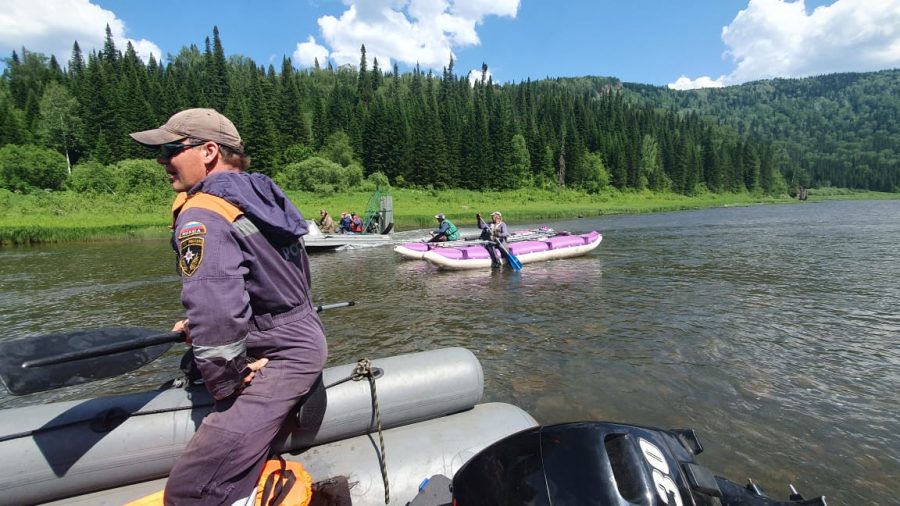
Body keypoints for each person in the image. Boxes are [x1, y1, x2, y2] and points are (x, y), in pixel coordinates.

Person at [129, 108, 328, 505]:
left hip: (282, 353)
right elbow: (274, 280)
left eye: (171, 149)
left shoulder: (201, 214)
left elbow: (218, 316)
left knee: (192, 490)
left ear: (208, 151)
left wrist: (229, 380)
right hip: (298, 334)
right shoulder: (259, 195)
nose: (162, 160)